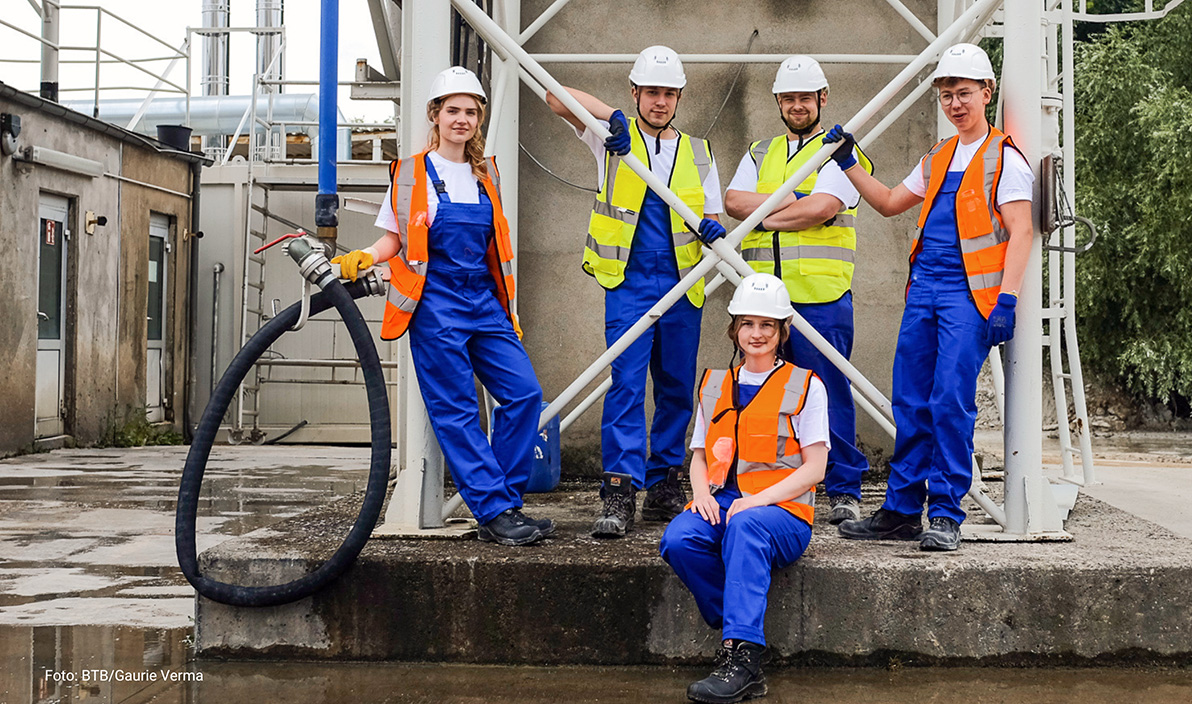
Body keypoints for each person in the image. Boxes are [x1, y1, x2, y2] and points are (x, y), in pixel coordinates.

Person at [822, 43, 1035, 551]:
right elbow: (892, 203)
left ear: (986, 92)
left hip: (970, 297)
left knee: (949, 403)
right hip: (924, 291)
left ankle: (944, 515)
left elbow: (1022, 232)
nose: (955, 104)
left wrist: (1007, 299)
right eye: (946, 95)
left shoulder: (1005, 159)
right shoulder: (938, 155)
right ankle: (900, 511)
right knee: (912, 401)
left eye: (963, 93)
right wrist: (850, 163)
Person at [331, 66, 548, 546]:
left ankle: (504, 502)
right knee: (456, 410)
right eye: (453, 110)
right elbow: (394, 237)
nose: (462, 119)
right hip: (435, 304)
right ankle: (495, 510)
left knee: (524, 394)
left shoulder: (485, 172)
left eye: (471, 112)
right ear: (435, 114)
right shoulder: (409, 172)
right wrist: (366, 256)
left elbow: (495, 245)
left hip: (485, 301)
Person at [545, 46, 728, 539]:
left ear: (680, 97)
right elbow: (555, 97)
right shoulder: (611, 138)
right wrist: (610, 115)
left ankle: (665, 481)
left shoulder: (699, 150)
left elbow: (711, 214)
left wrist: (714, 231)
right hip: (628, 282)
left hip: (684, 282)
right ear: (635, 93)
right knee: (626, 384)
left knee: (674, 386)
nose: (660, 102)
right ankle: (620, 489)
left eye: (669, 93)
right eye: (651, 92)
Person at [659, 273, 829, 704]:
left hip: (783, 511)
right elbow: (699, 454)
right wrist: (699, 495)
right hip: (725, 500)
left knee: (747, 527)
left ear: (782, 332)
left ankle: (744, 657)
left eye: (767, 325)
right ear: (734, 329)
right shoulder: (714, 383)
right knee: (678, 538)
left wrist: (755, 500)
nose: (757, 334)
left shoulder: (807, 385)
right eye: (748, 324)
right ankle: (736, 612)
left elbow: (816, 469)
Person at [723, 56, 873, 527]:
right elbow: (730, 201)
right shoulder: (759, 151)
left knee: (829, 391)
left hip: (819, 294)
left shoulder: (841, 153)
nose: (797, 106)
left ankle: (844, 489)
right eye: (788, 99)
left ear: (822, 99)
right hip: (764, 298)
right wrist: (790, 202)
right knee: (766, 393)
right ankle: (772, 483)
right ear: (779, 103)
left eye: (805, 98)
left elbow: (824, 207)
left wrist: (766, 212)